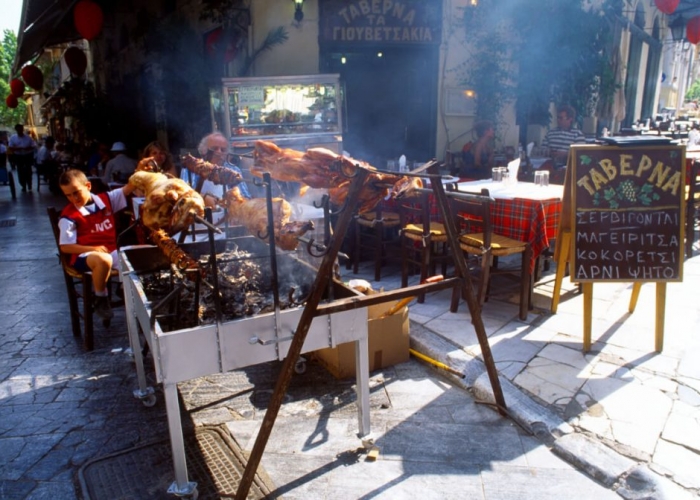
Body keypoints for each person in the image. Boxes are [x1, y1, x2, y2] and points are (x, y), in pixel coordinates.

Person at [58, 169, 136, 320]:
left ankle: (123, 289)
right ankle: (100, 297)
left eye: (76, 192)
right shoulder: (68, 216)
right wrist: (92, 249)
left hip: (110, 251)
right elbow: (65, 247)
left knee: (136, 256)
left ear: (88, 186)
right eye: (68, 195)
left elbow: (129, 187)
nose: (74, 198)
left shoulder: (105, 199)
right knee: (103, 260)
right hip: (84, 256)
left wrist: (141, 168)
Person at [191, 132, 251, 208]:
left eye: (223, 150)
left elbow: (246, 197)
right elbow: (185, 195)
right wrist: (202, 198)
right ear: (204, 150)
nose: (219, 152)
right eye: (214, 148)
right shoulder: (192, 167)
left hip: (227, 217)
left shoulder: (234, 169)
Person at [8, 124, 37, 192]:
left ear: (22, 129)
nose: (20, 131)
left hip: (27, 155)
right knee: (20, 171)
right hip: (19, 156)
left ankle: (29, 184)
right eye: (18, 129)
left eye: (21, 129)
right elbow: (10, 147)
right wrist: (18, 148)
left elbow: (33, 145)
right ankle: (23, 185)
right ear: (16, 130)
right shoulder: (13, 138)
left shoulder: (28, 137)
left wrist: (28, 148)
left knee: (28, 170)